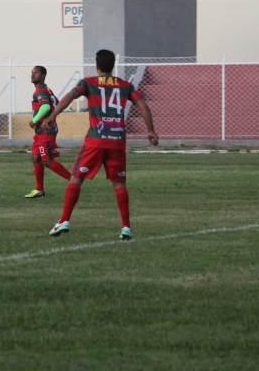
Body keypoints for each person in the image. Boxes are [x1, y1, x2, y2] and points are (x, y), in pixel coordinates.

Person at [42, 49, 158, 240]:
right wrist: (151, 131)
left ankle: (64, 220)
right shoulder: (125, 86)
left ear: (96, 66)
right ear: (112, 66)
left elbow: (71, 95)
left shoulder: (88, 83)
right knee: (119, 184)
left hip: (96, 139)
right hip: (117, 141)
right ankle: (126, 227)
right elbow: (143, 105)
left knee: (76, 178)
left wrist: (53, 116)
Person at [24, 65, 72, 198]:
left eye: (36, 73)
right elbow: (56, 104)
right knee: (35, 157)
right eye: (32, 72)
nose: (33, 75)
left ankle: (73, 181)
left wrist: (35, 120)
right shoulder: (48, 90)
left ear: (43, 75)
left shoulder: (40, 91)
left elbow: (45, 106)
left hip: (46, 131)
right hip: (42, 132)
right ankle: (39, 189)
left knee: (46, 160)